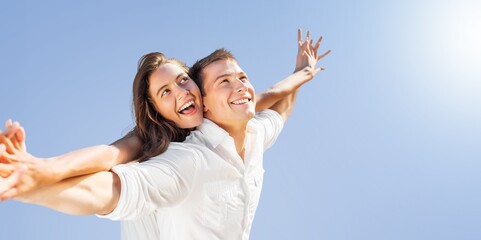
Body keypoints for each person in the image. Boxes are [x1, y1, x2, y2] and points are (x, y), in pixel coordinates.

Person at [0, 30, 329, 239]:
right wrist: (36, 178)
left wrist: (303, 73)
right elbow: (109, 180)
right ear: (155, 108)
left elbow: (274, 101)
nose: (182, 94)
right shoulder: (169, 152)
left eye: (184, 81)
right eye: (165, 92)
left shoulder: (245, 123)